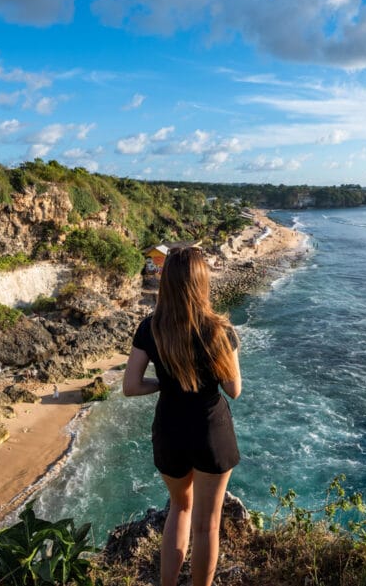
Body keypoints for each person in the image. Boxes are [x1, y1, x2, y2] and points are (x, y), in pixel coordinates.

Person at [124, 246, 242, 586]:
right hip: (211, 431)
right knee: (207, 525)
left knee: (180, 510)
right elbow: (233, 389)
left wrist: (166, 383)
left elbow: (131, 386)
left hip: (170, 430)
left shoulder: (151, 327)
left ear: (167, 283)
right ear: (202, 283)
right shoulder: (220, 330)